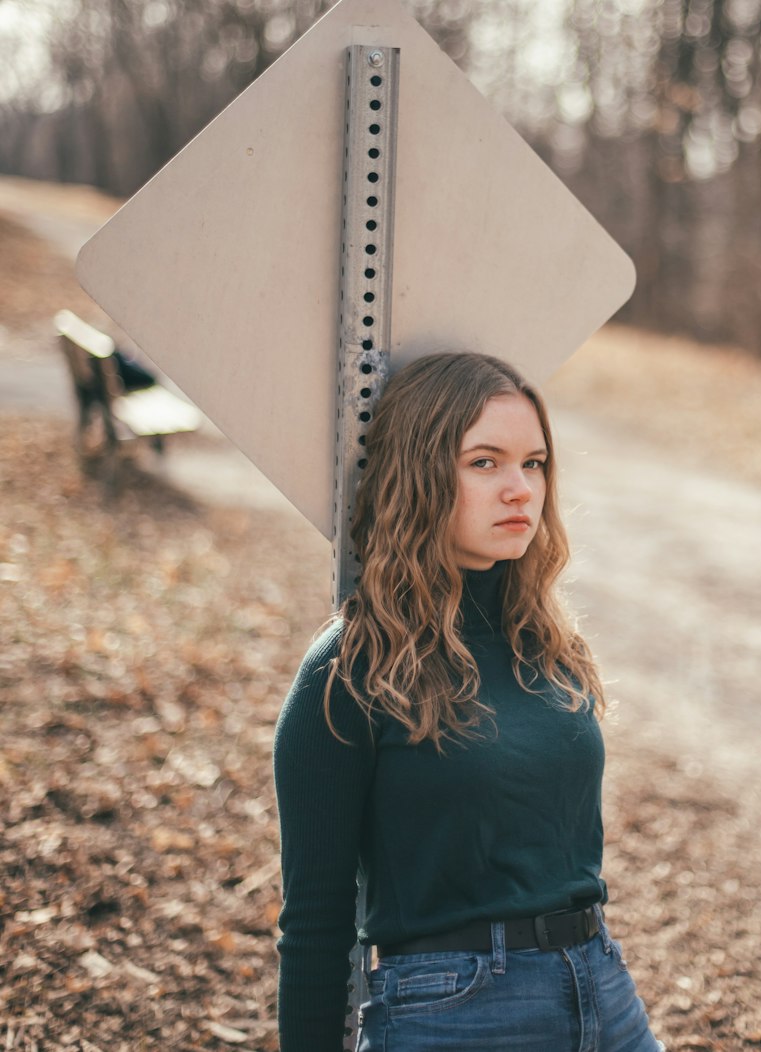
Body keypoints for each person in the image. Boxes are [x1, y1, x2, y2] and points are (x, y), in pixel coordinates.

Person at [273, 351, 661, 1051]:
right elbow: (313, 922)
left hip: (602, 992)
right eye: (485, 462)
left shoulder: (544, 642)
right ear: (421, 475)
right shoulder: (351, 669)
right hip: (455, 1013)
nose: (520, 490)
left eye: (534, 464)